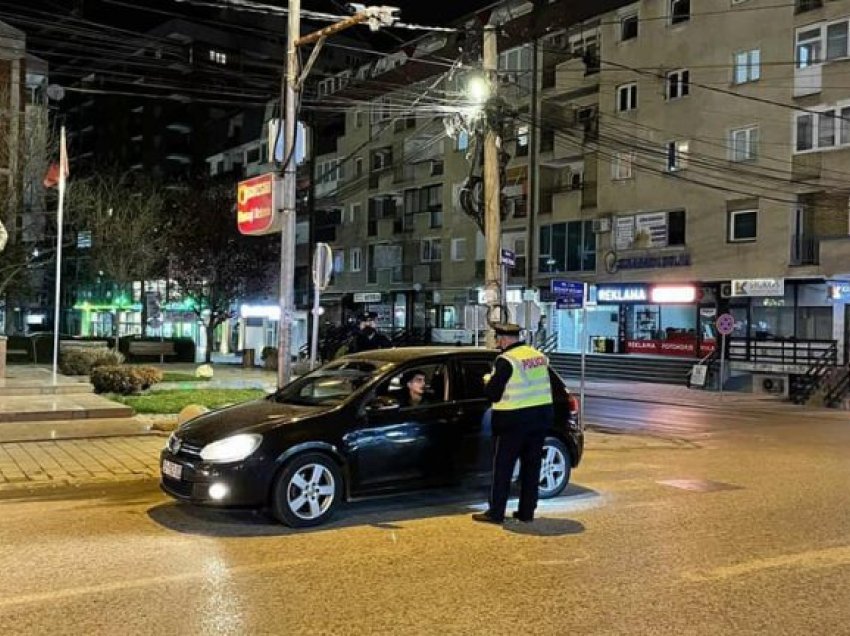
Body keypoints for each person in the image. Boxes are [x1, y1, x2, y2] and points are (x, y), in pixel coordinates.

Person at [472, 322, 554, 525]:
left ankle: (496, 512)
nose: (497, 343)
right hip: (540, 419)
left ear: (504, 339)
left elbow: (493, 394)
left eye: (498, 339)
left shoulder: (507, 360)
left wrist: (487, 380)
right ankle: (526, 512)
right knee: (531, 467)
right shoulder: (537, 356)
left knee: (503, 468)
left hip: (513, 421)